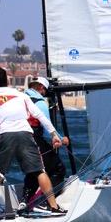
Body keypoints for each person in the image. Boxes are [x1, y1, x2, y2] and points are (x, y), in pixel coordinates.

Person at [0, 67, 66, 215]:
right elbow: (39, 115)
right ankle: (53, 206)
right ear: (7, 80)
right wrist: (53, 134)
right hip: (26, 134)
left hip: (6, 136)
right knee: (39, 171)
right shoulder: (21, 95)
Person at [22, 77, 68, 206]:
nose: (44, 94)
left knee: (34, 170)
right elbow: (47, 125)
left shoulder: (20, 98)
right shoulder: (40, 102)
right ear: (41, 88)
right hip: (33, 139)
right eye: (45, 91)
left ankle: (24, 201)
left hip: (17, 139)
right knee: (58, 169)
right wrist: (61, 139)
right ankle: (45, 200)